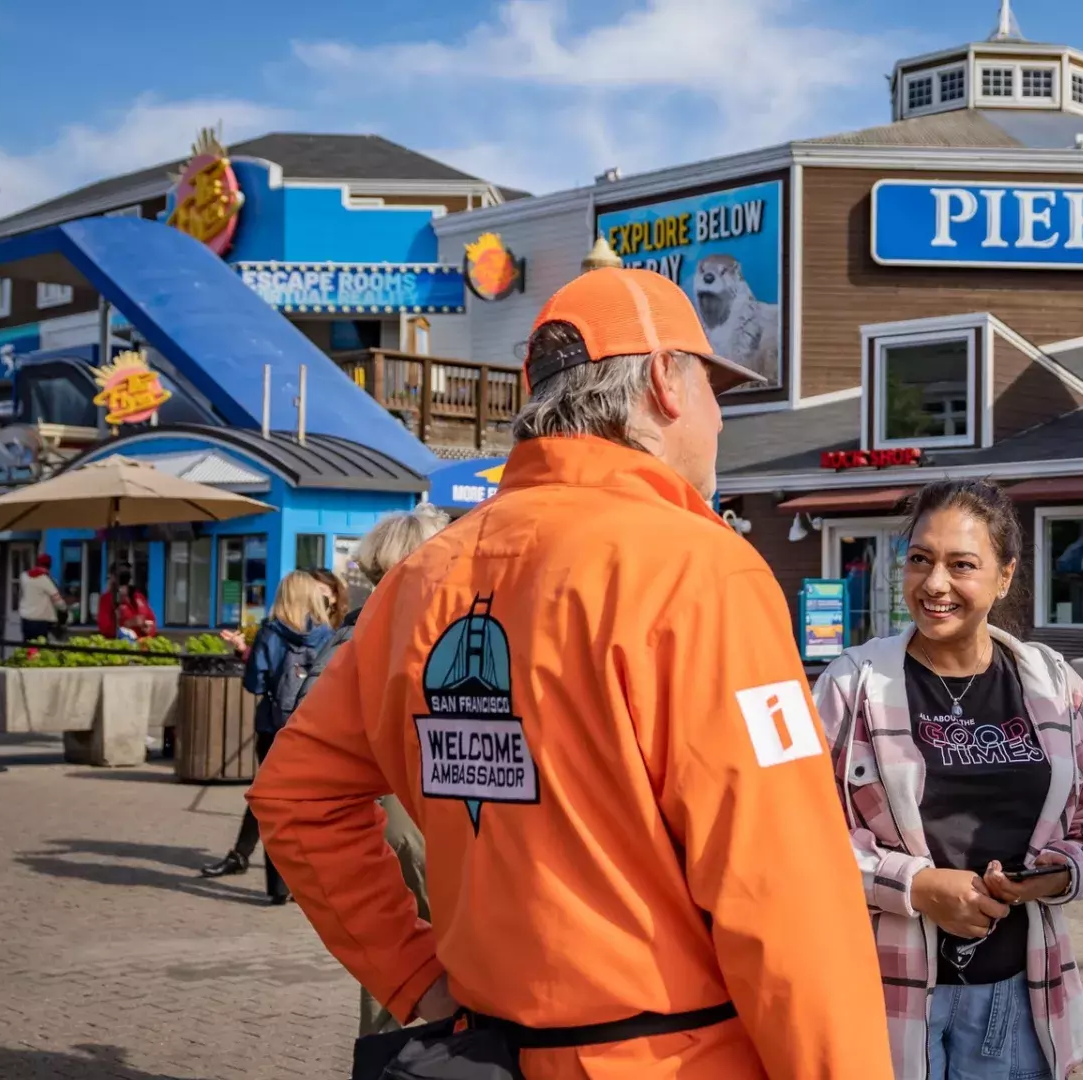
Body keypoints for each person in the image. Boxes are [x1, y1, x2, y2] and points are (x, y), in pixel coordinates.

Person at [244, 266, 891, 1079]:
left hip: (479, 1054)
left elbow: (294, 792)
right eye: (713, 386)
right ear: (663, 380)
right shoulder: (697, 571)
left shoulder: (422, 579)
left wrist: (416, 978)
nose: (722, 418)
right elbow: (788, 894)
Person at [813, 479, 1083, 1080]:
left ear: (1004, 576)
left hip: (1022, 989)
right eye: (920, 560)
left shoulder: (1054, 685)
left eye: (962, 565)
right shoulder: (853, 686)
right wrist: (917, 886)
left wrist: (1046, 879)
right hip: (885, 992)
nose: (934, 584)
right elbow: (801, 838)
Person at [285, 507, 452, 1036]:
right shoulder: (399, 636)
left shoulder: (359, 633)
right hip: (404, 820)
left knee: (399, 964)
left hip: (391, 821)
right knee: (423, 957)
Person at [199, 570, 334, 904]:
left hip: (274, 729)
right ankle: (312, 878)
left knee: (272, 802)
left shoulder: (270, 632)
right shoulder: (327, 634)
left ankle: (277, 884)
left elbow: (255, 684)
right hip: (313, 729)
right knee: (306, 804)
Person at [17, 554, 66, 642]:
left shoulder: (24, 576)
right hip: (40, 621)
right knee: (40, 649)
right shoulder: (45, 580)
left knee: (28, 648)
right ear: (49, 566)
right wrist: (64, 609)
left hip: (26, 619)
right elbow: (58, 601)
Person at [97, 567, 155, 640]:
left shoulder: (139, 597)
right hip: (122, 646)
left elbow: (152, 620)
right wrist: (127, 624)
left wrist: (148, 630)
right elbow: (105, 629)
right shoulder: (107, 599)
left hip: (142, 646)